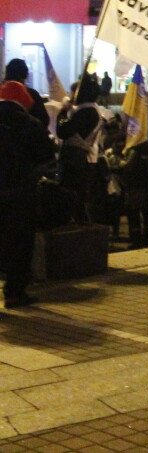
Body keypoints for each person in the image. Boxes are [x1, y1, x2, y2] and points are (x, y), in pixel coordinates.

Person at [0, 81, 57, 308]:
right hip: (19, 193)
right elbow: (46, 157)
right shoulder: (29, 124)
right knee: (19, 243)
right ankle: (14, 293)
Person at [56, 74, 103, 221]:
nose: (71, 95)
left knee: (72, 195)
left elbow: (62, 131)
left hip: (75, 158)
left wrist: (63, 112)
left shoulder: (86, 111)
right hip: (77, 158)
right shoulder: (88, 110)